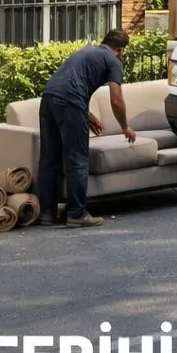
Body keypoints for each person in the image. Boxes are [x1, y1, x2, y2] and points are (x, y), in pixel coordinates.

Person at [37, 28, 134, 226]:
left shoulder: (84, 51)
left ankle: (47, 213)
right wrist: (125, 127)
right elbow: (116, 100)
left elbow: (68, 84)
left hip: (48, 99)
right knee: (77, 158)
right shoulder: (113, 61)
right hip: (70, 102)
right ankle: (77, 213)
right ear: (121, 50)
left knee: (49, 158)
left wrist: (86, 114)